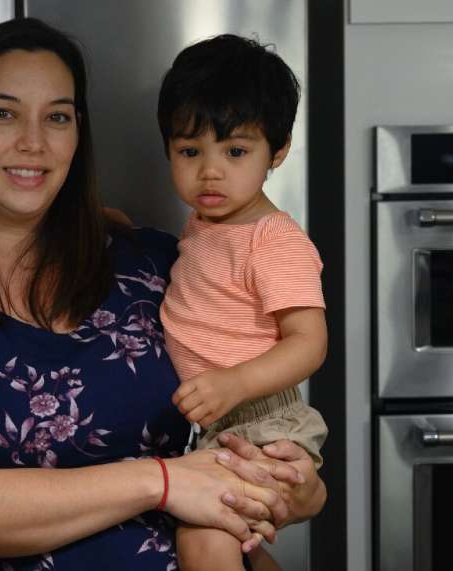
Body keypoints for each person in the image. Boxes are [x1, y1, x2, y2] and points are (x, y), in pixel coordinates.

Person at [0, 18, 326, 571]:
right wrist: (163, 481)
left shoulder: (151, 263)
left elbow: (260, 385)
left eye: (57, 117)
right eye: (3, 113)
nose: (33, 141)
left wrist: (304, 491)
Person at [157, 34, 329, 571]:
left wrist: (234, 383)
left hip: (262, 420)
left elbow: (309, 343)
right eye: (190, 152)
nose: (210, 171)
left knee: (204, 538)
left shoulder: (272, 238)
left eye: (235, 151)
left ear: (277, 151)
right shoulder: (208, 219)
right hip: (218, 422)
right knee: (230, 542)